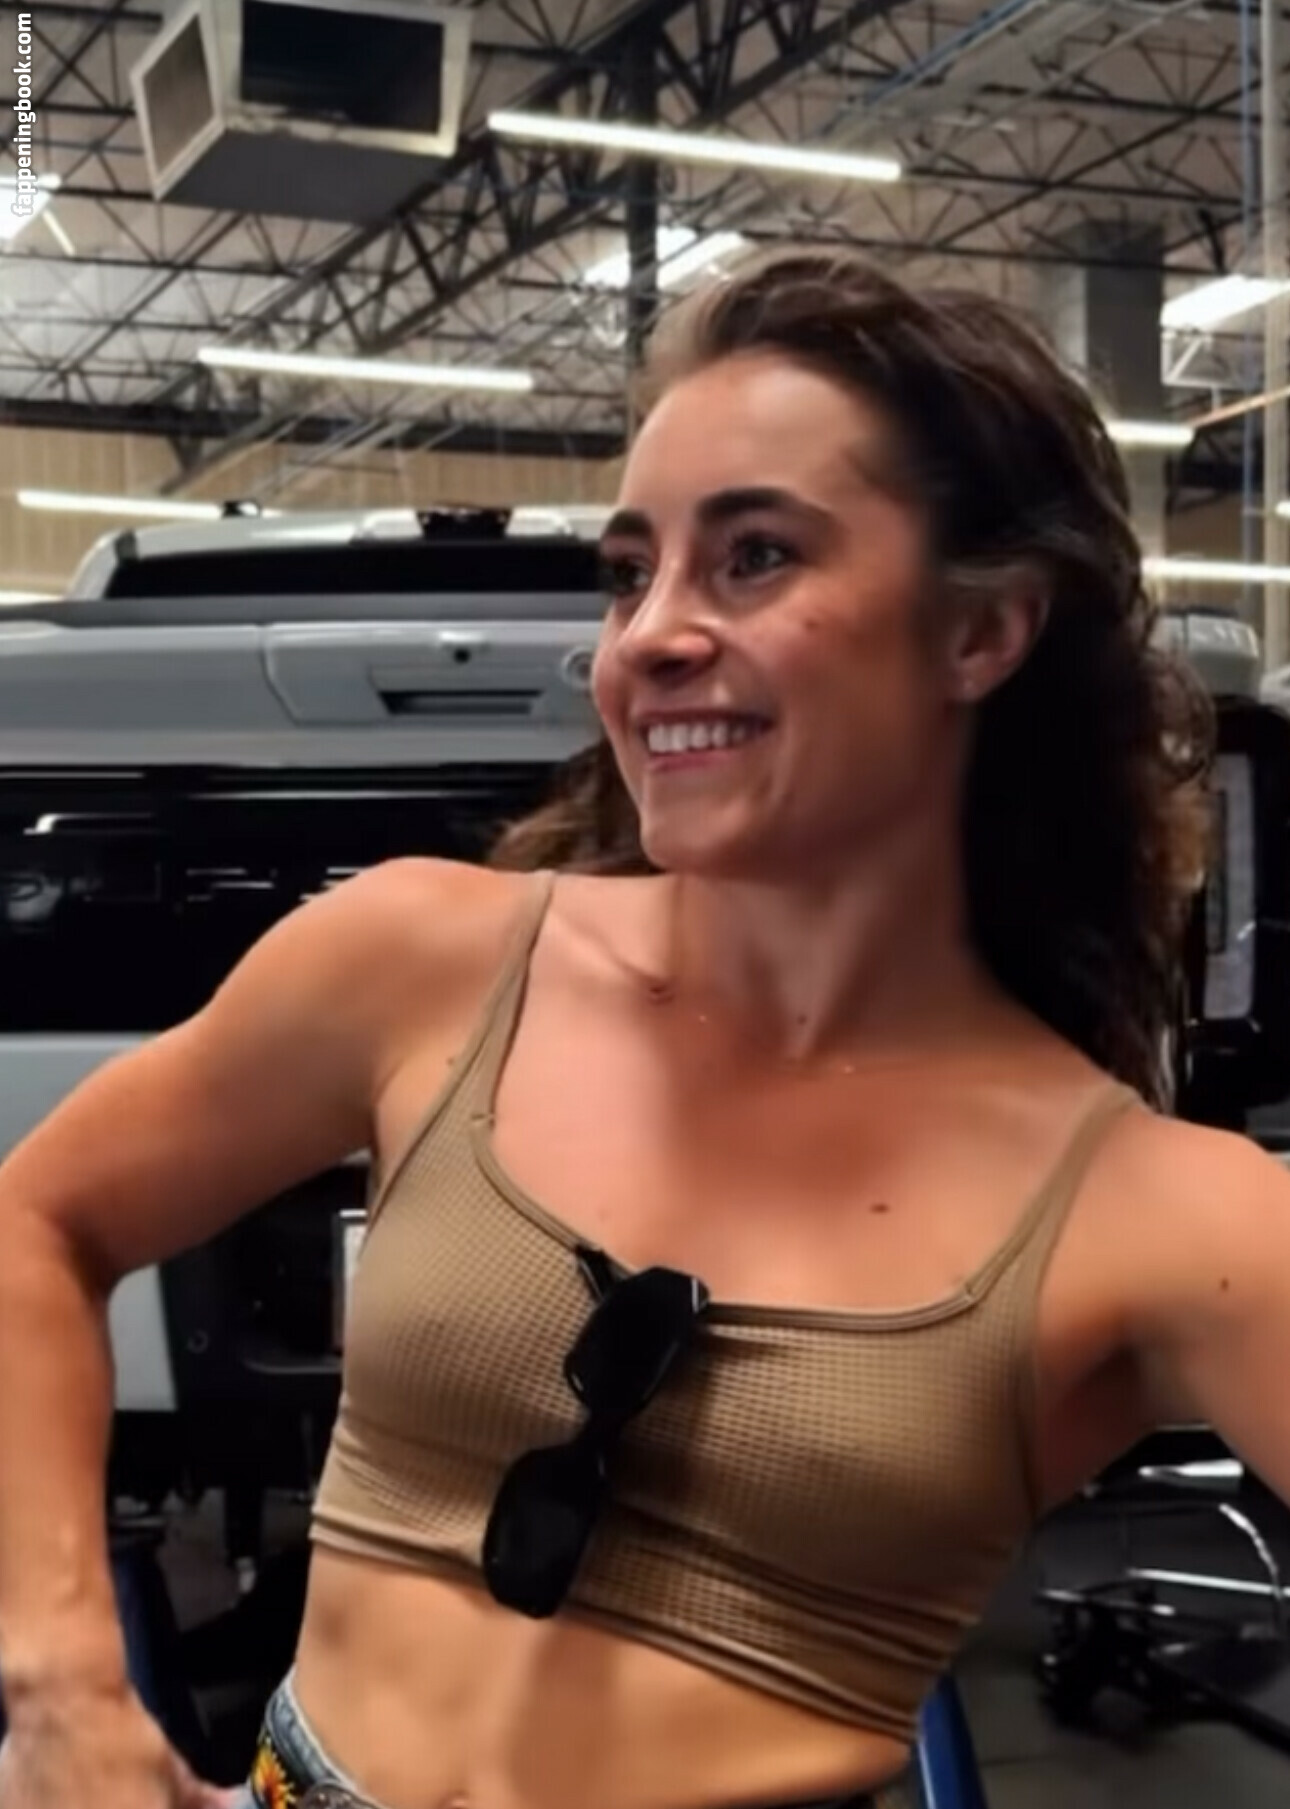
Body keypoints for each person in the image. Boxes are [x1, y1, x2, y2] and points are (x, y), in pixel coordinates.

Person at [1, 245, 1289, 1809]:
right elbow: (36, 1219)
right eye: (631, 571)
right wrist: (63, 1686)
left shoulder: (1158, 1215)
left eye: (754, 556)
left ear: (980, 633)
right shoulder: (425, 962)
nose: (650, 634)